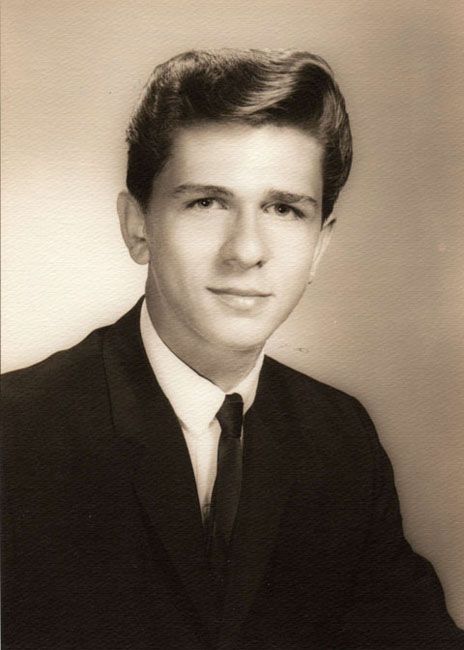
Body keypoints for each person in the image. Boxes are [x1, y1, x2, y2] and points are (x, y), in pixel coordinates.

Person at [2, 49, 462, 650]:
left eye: (284, 209)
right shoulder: (14, 433)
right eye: (207, 202)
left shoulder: (340, 439)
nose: (246, 250)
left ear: (320, 246)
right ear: (137, 226)